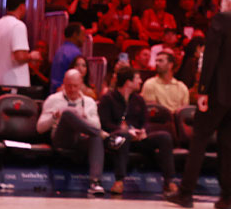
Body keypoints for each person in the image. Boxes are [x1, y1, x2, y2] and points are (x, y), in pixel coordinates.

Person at [165, 0, 231, 209]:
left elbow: (211, 57)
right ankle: (228, 198)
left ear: (227, 3)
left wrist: (203, 91)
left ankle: (185, 193)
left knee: (199, 139)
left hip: (219, 93)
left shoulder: (222, 19)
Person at [99, 66, 177, 196]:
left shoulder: (138, 100)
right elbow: (104, 123)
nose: (140, 81)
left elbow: (145, 121)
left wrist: (143, 131)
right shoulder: (108, 99)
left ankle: (169, 181)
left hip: (137, 138)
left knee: (165, 137)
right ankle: (119, 181)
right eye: (137, 78)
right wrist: (124, 131)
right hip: (116, 138)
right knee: (123, 136)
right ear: (128, 82)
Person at [37, 68, 114, 196]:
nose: (72, 90)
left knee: (95, 137)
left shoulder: (89, 102)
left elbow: (97, 125)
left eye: (75, 86)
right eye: (68, 86)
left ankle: (95, 183)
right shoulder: (53, 99)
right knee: (68, 113)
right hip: (61, 138)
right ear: (63, 83)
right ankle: (105, 136)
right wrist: (54, 117)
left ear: (81, 84)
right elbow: (39, 128)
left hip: (81, 138)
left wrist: (85, 118)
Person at [49, 23, 84, 92]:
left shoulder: (60, 50)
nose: (84, 39)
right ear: (75, 34)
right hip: (65, 93)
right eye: (83, 35)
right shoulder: (75, 53)